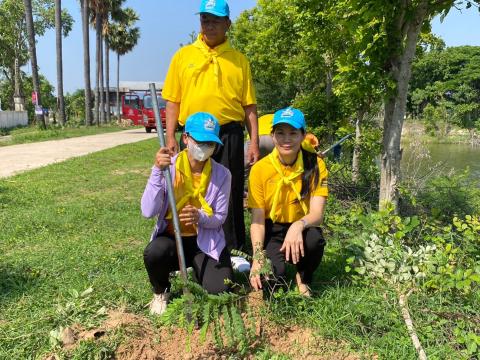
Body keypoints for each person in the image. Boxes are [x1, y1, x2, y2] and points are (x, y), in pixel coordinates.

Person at [162, 0, 259, 251]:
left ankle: (233, 248)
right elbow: (173, 100)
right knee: (187, 185)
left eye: (216, 20)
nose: (210, 25)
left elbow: (249, 107)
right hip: (193, 136)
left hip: (228, 134)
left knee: (230, 188)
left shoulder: (239, 61)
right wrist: (171, 137)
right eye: (205, 19)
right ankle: (188, 243)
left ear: (228, 24)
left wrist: (254, 142)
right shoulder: (183, 56)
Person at [142, 112, 233, 315]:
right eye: (199, 140)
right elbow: (148, 210)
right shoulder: (168, 168)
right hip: (172, 239)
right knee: (154, 253)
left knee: (220, 290)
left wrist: (199, 217)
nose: (204, 147)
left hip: (205, 242)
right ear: (185, 138)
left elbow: (219, 217)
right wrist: (157, 171)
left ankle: (198, 268)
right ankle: (160, 291)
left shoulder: (222, 174)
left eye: (210, 142)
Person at [247, 107, 329, 296]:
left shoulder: (315, 164)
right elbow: (257, 221)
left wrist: (297, 226)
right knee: (274, 284)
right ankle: (279, 267)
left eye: (293, 133)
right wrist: (258, 256)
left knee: (315, 241)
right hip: (271, 228)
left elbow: (317, 214)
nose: (286, 139)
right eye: (281, 133)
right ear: (272, 136)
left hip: (303, 224)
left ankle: (303, 277)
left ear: (303, 136)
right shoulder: (259, 169)